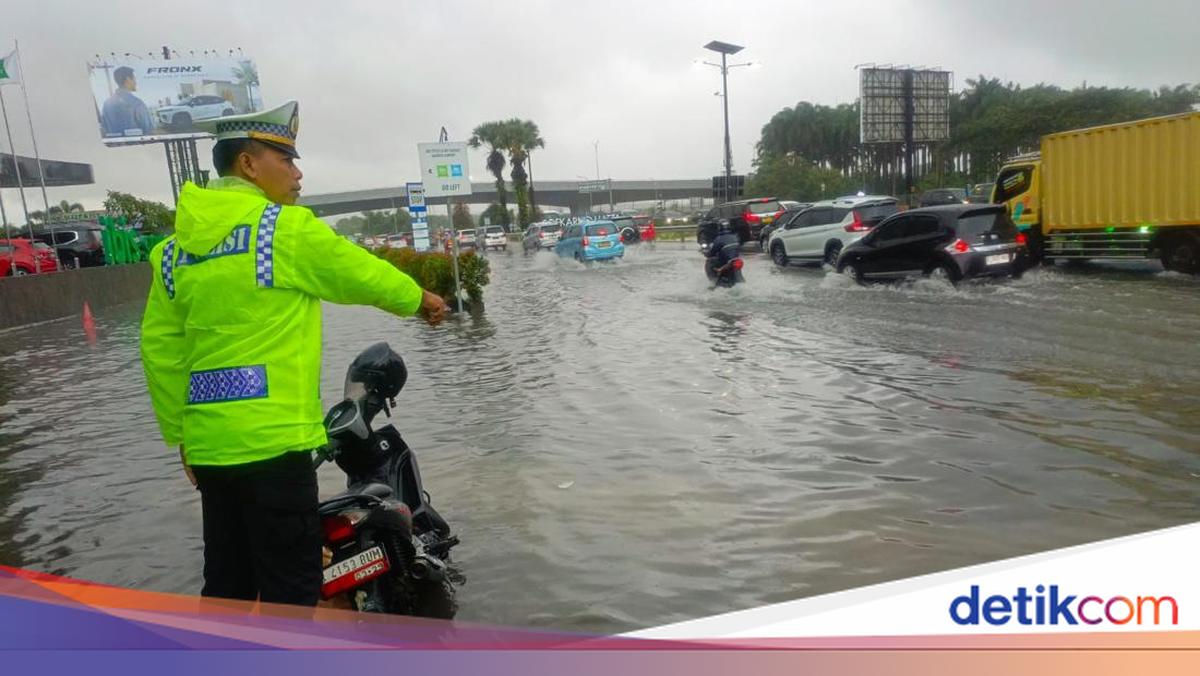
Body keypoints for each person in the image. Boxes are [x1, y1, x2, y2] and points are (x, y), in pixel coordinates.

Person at [140, 100, 450, 607]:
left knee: (228, 583)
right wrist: (420, 299)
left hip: (209, 448)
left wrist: (181, 437)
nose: (297, 173)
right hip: (274, 444)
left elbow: (161, 352)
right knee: (292, 587)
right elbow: (358, 273)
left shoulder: (173, 253)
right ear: (248, 163)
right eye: (285, 159)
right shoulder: (282, 230)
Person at [100, 66, 154, 137]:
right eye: (134, 79)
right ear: (128, 79)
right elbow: (148, 130)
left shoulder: (106, 104)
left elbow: (104, 129)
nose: (135, 82)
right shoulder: (137, 103)